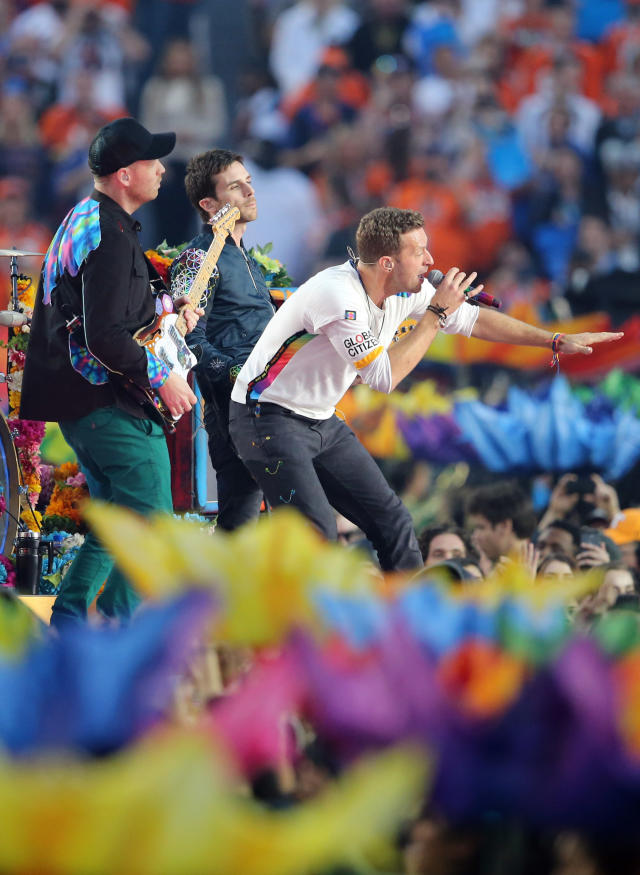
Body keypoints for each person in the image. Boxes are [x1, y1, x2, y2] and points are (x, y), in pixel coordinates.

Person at [228, 206, 623, 571]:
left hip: (318, 417)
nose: (431, 262)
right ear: (387, 263)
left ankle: (412, 628)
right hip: (266, 415)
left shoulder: (408, 290)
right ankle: (311, 640)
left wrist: (554, 339)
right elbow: (383, 378)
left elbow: (474, 322)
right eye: (419, 252)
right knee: (318, 536)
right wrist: (435, 315)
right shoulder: (339, 297)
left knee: (394, 521)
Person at [20, 116, 199, 629]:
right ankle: (117, 634)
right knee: (156, 527)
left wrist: (166, 307)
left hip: (83, 407)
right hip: (107, 405)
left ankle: (72, 627)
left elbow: (107, 313)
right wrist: (162, 376)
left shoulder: (88, 216)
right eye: (152, 162)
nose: (162, 170)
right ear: (125, 174)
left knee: (116, 526)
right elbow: (103, 337)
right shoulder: (112, 235)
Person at [170, 149, 275, 530]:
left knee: (242, 524)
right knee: (254, 521)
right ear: (209, 204)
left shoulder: (247, 260)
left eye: (249, 181)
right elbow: (186, 339)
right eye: (236, 185)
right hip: (238, 409)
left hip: (266, 403)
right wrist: (241, 377)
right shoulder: (198, 259)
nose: (250, 190)